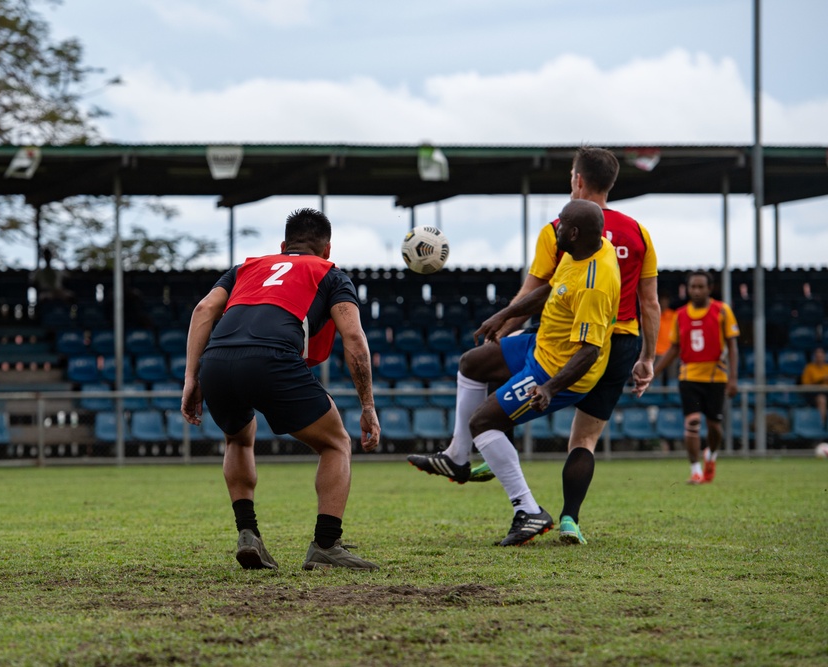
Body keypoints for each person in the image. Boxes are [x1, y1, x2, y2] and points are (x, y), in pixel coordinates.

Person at [411, 146, 660, 547]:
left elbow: (588, 349)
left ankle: (527, 510)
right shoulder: (617, 238)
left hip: (569, 358)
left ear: (578, 180)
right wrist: (500, 318)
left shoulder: (584, 267)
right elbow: (555, 290)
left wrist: (548, 387)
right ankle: (466, 461)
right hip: (595, 344)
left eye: (562, 226)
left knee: (485, 422)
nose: (556, 228)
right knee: (473, 364)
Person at [181, 208, 381, 571]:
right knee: (336, 443)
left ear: (283, 245)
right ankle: (325, 544)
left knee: (238, 440)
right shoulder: (329, 273)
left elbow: (203, 309)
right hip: (271, 358)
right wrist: (367, 405)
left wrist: (192, 377)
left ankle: (248, 534)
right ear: (327, 248)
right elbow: (353, 337)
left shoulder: (246, 267)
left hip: (217, 360)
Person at [654, 270, 739, 484]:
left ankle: (711, 456)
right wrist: (653, 372)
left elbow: (732, 346)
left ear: (710, 289)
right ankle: (695, 470)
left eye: (701, 287)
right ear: (688, 289)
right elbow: (674, 348)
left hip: (715, 377)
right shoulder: (680, 315)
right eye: (693, 287)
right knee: (692, 422)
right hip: (689, 376)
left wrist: (733, 378)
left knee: (714, 427)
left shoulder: (722, 311)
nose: (697, 290)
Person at [799, 346, 828, 425]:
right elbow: (806, 384)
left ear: (824, 356)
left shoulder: (827, 367)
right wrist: (822, 379)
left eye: (821, 355)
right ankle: (822, 424)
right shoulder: (809, 368)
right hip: (814, 393)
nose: (819, 357)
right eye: (817, 355)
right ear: (814, 357)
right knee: (822, 399)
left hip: (827, 391)